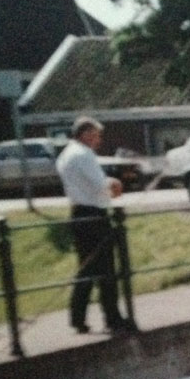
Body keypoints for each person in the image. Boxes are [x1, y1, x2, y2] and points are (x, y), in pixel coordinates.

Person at [56, 116, 131, 335]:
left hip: (77, 214)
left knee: (86, 268)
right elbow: (100, 184)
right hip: (94, 215)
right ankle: (113, 318)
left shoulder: (65, 155)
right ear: (86, 133)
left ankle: (77, 318)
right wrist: (115, 184)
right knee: (106, 269)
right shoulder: (83, 154)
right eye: (97, 135)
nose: (98, 140)